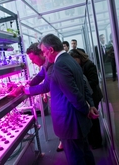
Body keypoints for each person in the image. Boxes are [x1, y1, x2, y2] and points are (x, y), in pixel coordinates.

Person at [39, 34, 97, 165]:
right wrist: (89, 106)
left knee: (76, 158)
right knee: (86, 154)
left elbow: (74, 95)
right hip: (78, 121)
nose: (44, 56)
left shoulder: (60, 65)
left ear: (51, 50)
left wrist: (86, 110)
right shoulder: (69, 59)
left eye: (44, 51)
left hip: (70, 123)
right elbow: (82, 85)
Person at [69, 49, 103, 149]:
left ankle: (97, 142)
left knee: (94, 120)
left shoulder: (89, 65)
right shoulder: (79, 65)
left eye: (74, 60)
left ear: (79, 58)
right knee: (90, 119)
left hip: (93, 95)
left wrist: (82, 86)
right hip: (87, 95)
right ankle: (92, 140)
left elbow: (94, 81)